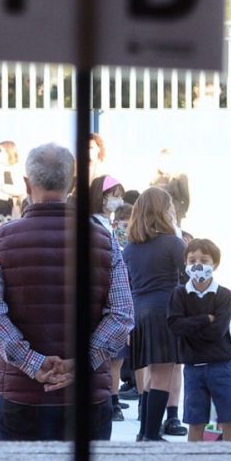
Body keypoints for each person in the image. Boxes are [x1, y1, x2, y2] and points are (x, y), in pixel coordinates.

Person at [0, 143, 133, 442]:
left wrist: (33, 363)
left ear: (26, 183)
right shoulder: (104, 241)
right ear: (73, 184)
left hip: (22, 398)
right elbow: (122, 315)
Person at [125, 186, 187, 440]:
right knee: (163, 374)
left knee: (150, 375)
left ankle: (144, 431)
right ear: (164, 211)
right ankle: (151, 434)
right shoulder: (173, 243)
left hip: (140, 313)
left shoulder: (129, 249)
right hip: (165, 311)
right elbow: (186, 278)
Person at [167, 238, 231, 442]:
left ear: (214, 264)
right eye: (192, 260)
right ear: (185, 263)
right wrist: (205, 319)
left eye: (204, 260)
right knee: (195, 422)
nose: (198, 264)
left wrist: (190, 326)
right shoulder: (179, 293)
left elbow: (218, 331)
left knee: (229, 419)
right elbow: (174, 326)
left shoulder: (222, 294)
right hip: (193, 366)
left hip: (221, 366)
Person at [88, 175, 130, 422]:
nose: (118, 200)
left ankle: (111, 397)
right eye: (114, 194)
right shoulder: (94, 224)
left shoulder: (108, 224)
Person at [152, 148, 191, 227]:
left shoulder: (180, 177)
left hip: (173, 216)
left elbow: (186, 199)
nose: (162, 162)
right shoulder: (154, 179)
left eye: (165, 159)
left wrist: (178, 213)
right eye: (160, 160)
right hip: (156, 216)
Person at [0, 140, 24, 219]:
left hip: (14, 212)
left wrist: (2, 187)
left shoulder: (18, 169)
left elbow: (20, 189)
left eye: (0, 151)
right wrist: (8, 194)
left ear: (9, 152)